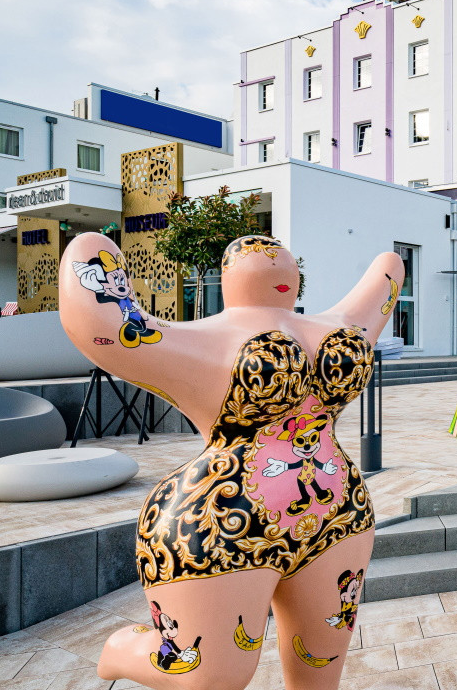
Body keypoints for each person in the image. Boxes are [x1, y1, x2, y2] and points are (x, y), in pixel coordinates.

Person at [59, 233, 402, 690]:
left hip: (339, 517)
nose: (277, 267)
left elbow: (383, 286)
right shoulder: (200, 339)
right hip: (217, 522)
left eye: (282, 260)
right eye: (266, 260)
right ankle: (125, 648)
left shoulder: (334, 326)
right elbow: (103, 327)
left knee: (321, 665)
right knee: (213, 675)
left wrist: (390, 266)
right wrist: (96, 260)